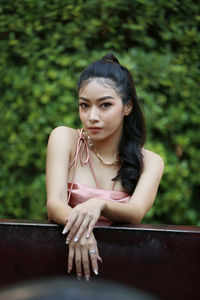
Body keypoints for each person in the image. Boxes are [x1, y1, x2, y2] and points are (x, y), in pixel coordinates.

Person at [46, 53, 164, 282]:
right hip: (63, 268)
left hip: (123, 272)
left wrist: (98, 204)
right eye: (84, 105)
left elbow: (136, 212)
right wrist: (82, 233)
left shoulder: (150, 162)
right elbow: (54, 204)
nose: (92, 116)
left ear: (127, 106)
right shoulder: (65, 139)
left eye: (105, 105)